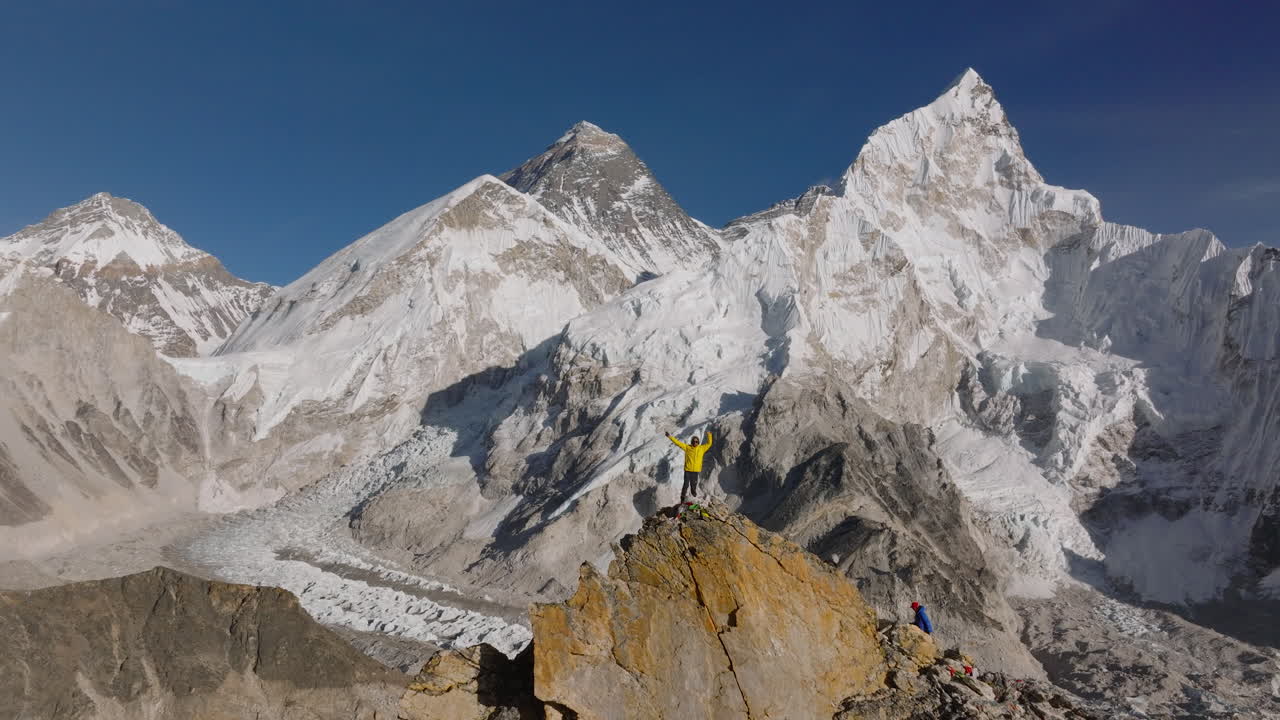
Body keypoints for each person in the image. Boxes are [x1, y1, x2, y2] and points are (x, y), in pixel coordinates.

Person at [666, 430, 712, 501]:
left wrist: (709, 435)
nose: (695, 442)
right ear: (691, 442)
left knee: (694, 484)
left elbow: (709, 443)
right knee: (686, 484)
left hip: (696, 471)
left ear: (698, 442)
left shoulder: (702, 448)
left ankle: (693, 493)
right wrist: (670, 437)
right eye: (693, 441)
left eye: (696, 441)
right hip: (688, 470)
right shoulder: (687, 448)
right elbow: (678, 443)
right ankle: (682, 497)